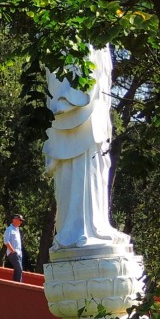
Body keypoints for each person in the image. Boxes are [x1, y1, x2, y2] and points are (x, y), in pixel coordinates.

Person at [44, 45, 130, 250]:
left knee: (95, 173)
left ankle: (97, 225)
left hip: (95, 119)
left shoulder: (98, 33)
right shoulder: (71, 31)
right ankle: (75, 231)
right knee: (76, 175)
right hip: (76, 119)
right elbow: (62, 71)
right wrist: (69, 98)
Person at [3, 214, 24, 282]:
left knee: (19, 270)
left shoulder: (17, 230)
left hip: (19, 253)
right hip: (13, 253)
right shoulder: (9, 229)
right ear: (14, 219)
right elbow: (6, 241)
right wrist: (13, 251)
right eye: (20, 220)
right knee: (19, 269)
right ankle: (18, 284)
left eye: (21, 221)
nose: (21, 222)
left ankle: (16, 283)